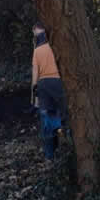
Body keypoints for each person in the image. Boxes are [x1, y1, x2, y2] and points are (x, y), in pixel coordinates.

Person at [31, 21, 66, 159]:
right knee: (62, 116)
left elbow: (35, 74)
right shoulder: (58, 47)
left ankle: (50, 156)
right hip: (59, 83)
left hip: (43, 86)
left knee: (46, 119)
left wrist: (35, 98)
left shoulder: (37, 51)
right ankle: (65, 149)